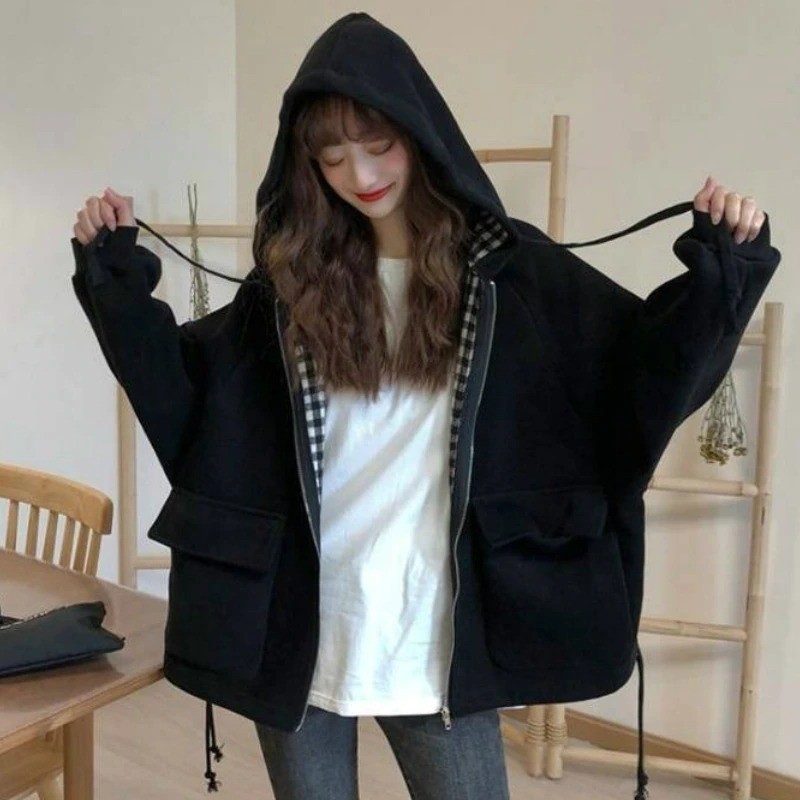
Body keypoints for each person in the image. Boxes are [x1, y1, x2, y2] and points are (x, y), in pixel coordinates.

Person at [70, 12, 781, 800]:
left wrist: (727, 268)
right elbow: (188, 403)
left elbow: (644, 375)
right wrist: (112, 281)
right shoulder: (290, 286)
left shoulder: (512, 276)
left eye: (377, 143)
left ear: (418, 130)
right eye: (331, 154)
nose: (358, 171)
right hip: (302, 625)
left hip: (434, 638)